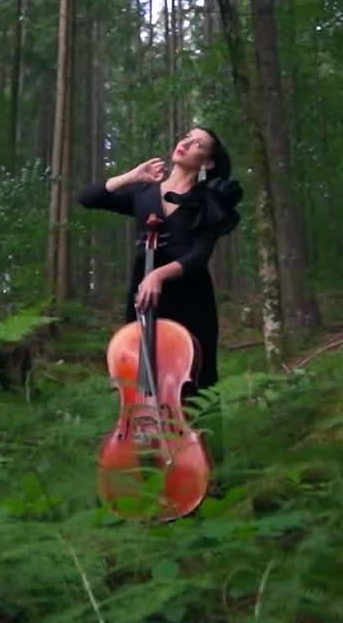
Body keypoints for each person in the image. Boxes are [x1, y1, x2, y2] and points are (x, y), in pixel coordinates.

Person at [78, 127, 242, 416]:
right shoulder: (144, 193)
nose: (187, 143)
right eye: (187, 137)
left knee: (195, 377)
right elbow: (87, 198)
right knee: (142, 371)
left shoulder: (207, 200)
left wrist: (158, 275)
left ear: (207, 163)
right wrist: (132, 176)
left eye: (199, 144)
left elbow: (199, 255)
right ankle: (144, 440)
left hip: (188, 293)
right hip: (144, 294)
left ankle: (198, 447)